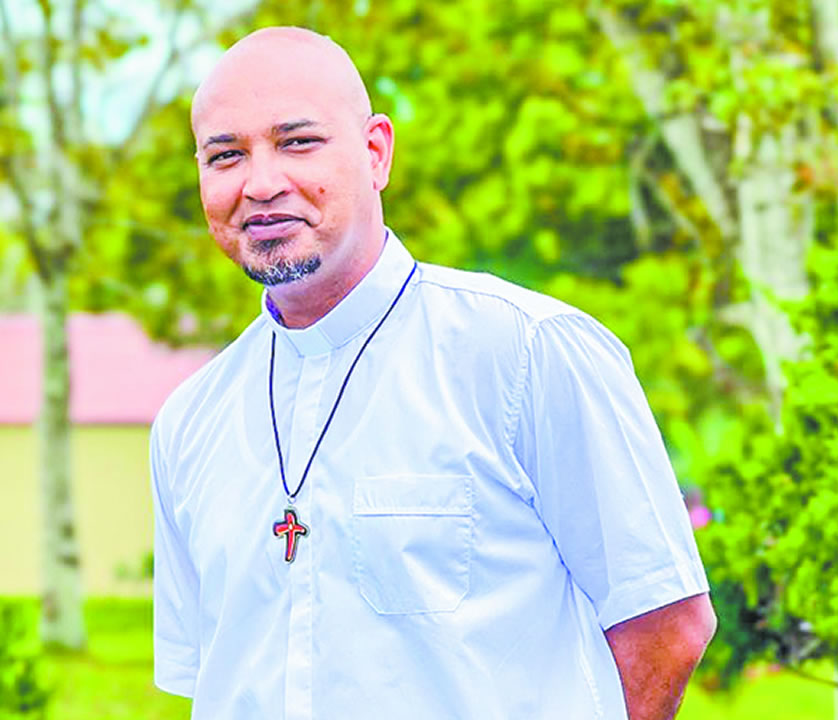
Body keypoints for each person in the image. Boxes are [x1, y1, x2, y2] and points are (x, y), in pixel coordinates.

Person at [151, 25, 716, 720]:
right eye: (225, 155)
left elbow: (666, 628)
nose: (262, 183)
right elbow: (208, 674)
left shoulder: (528, 354)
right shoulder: (190, 420)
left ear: (376, 151)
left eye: (297, 142)